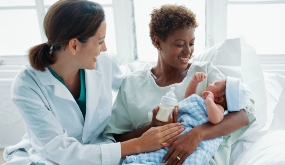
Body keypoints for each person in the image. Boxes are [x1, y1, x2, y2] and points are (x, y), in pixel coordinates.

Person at [2, 1, 184, 165]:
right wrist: (138, 144)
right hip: (50, 158)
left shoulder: (104, 62)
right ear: (74, 45)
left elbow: (134, 80)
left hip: (100, 149)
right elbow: (58, 150)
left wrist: (171, 66)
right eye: (100, 41)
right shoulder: (27, 85)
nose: (104, 48)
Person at [104, 4, 256, 165]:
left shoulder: (205, 72)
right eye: (179, 44)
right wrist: (152, 127)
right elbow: (117, 138)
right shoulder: (131, 84)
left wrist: (198, 134)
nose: (188, 52)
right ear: (158, 42)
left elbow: (245, 113)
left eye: (191, 43)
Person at [122, 72, 251, 164]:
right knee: (161, 152)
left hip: (194, 138)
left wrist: (210, 101)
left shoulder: (219, 108)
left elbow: (215, 119)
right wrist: (194, 83)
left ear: (219, 98)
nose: (211, 82)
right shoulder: (200, 99)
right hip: (181, 130)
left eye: (215, 83)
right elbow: (189, 98)